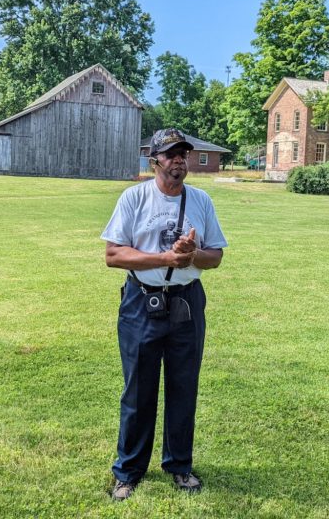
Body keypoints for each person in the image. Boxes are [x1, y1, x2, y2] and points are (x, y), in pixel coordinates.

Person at [101, 128, 228, 501]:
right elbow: (113, 255)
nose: (179, 160)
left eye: (183, 154)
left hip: (186, 302)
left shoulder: (201, 201)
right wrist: (164, 258)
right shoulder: (134, 198)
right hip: (141, 301)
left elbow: (216, 257)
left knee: (183, 388)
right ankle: (128, 471)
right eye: (171, 154)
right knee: (138, 391)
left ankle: (179, 466)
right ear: (155, 159)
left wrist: (191, 256)